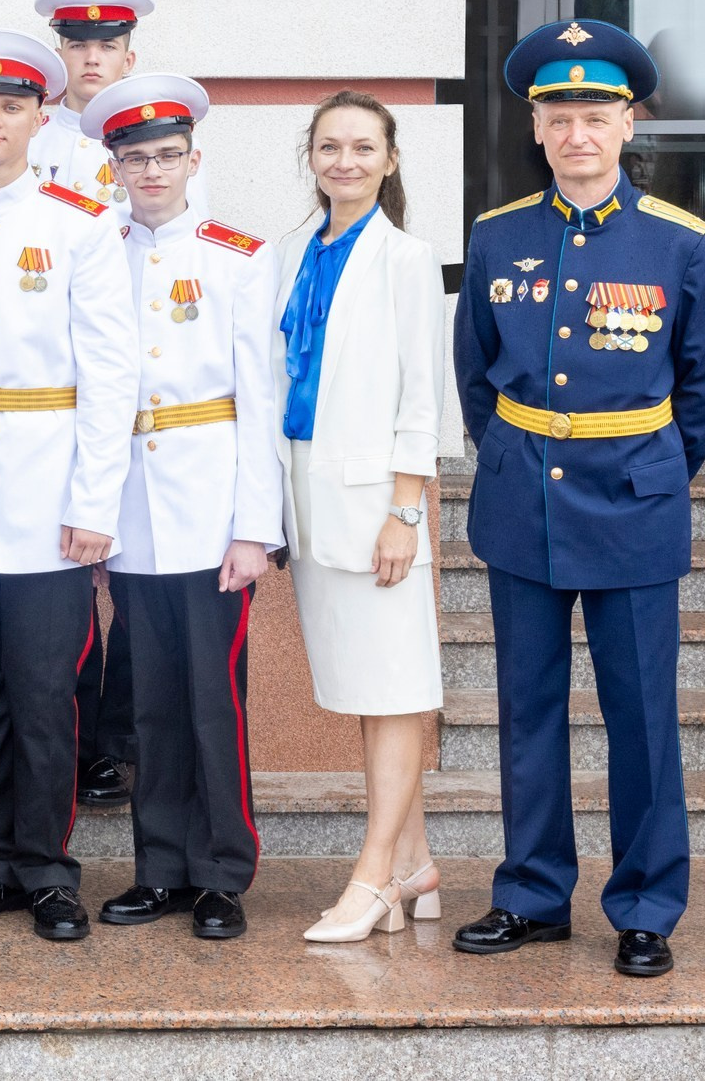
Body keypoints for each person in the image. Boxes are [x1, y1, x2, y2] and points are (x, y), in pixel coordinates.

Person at [450, 21, 705, 980]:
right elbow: (476, 373)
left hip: (635, 505)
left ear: (628, 124)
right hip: (523, 500)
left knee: (641, 715)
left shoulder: (680, 240)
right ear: (536, 127)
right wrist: (516, 453)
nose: (578, 132)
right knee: (526, 708)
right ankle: (532, 893)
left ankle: (645, 905)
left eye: (597, 115)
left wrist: (653, 468)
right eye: (560, 115)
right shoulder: (498, 235)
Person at [0, 29, 138, 944]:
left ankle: (47, 869)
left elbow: (111, 373)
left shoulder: (80, 224)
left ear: (40, 118)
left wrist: (94, 502)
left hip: (49, 498)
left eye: (12, 106)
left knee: (46, 696)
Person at [76, 76, 280, 942]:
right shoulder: (94, 248)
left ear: (195, 160)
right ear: (114, 168)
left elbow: (260, 398)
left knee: (213, 702)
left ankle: (223, 873)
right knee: (148, 702)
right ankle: (159, 867)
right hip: (128, 507)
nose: (151, 170)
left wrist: (255, 528)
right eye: (135, 158)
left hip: (209, 508)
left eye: (167, 155)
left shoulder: (238, 255)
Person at [274, 90, 448, 946]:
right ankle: (415, 859)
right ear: (311, 157)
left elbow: (423, 396)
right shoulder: (290, 252)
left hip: (379, 507)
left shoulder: (406, 259)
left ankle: (375, 876)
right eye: (329, 146)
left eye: (363, 147)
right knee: (369, 692)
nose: (345, 160)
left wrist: (405, 512)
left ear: (391, 159)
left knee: (396, 690)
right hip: (311, 503)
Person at [23, 0, 191, 811]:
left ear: (130, 54)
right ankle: (76, 733)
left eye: (107, 44)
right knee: (66, 587)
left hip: (144, 399)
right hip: (58, 398)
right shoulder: (30, 138)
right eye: (78, 43)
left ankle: (115, 741)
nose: (92, 57)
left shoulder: (156, 143)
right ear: (60, 53)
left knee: (131, 584)